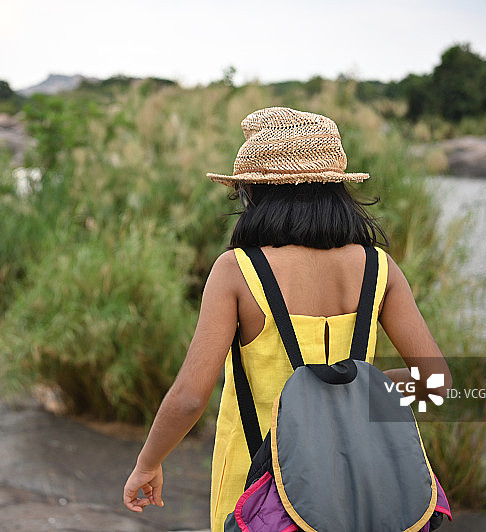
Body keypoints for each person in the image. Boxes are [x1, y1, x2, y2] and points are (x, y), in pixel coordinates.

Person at [123, 107, 452, 531]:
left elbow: (190, 396)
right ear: (337, 190)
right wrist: (359, 390)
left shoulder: (237, 270)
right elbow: (436, 384)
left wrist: (147, 462)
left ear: (255, 193)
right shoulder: (378, 266)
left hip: (258, 490)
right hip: (359, 486)